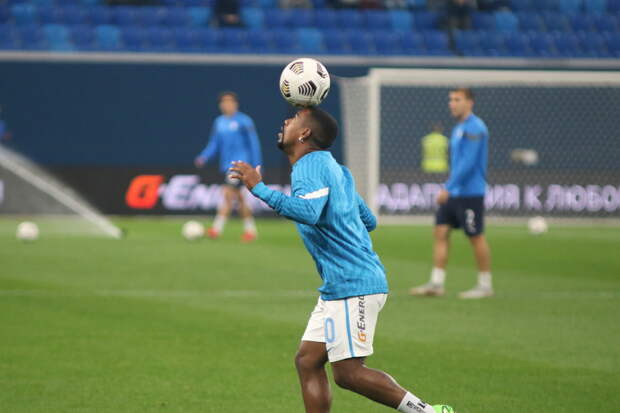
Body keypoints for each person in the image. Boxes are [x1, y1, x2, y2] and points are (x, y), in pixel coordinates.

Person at [229, 107, 455, 413]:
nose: (285, 121)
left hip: (352, 283)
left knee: (349, 373)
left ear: (305, 133)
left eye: (294, 120)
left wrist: (259, 188)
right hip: (341, 283)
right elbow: (369, 220)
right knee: (308, 360)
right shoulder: (338, 169)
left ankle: (427, 412)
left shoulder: (309, 165)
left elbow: (308, 212)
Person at [410, 88, 493, 299]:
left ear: (470, 103)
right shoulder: (459, 128)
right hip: (455, 192)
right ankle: (436, 283)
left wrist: (448, 186)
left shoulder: (475, 127)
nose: (452, 103)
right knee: (440, 232)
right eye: (451, 99)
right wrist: (451, 187)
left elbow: (469, 163)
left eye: (457, 99)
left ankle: (485, 285)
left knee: (475, 236)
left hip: (470, 193)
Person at [194, 91, 261, 242]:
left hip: (239, 165)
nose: (227, 104)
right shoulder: (219, 122)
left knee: (228, 195)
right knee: (239, 198)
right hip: (226, 166)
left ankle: (216, 229)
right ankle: (250, 231)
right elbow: (214, 143)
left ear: (236, 104)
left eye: (230, 101)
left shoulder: (244, 121)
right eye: (224, 102)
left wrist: (257, 165)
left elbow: (254, 144)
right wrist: (204, 156)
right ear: (220, 105)